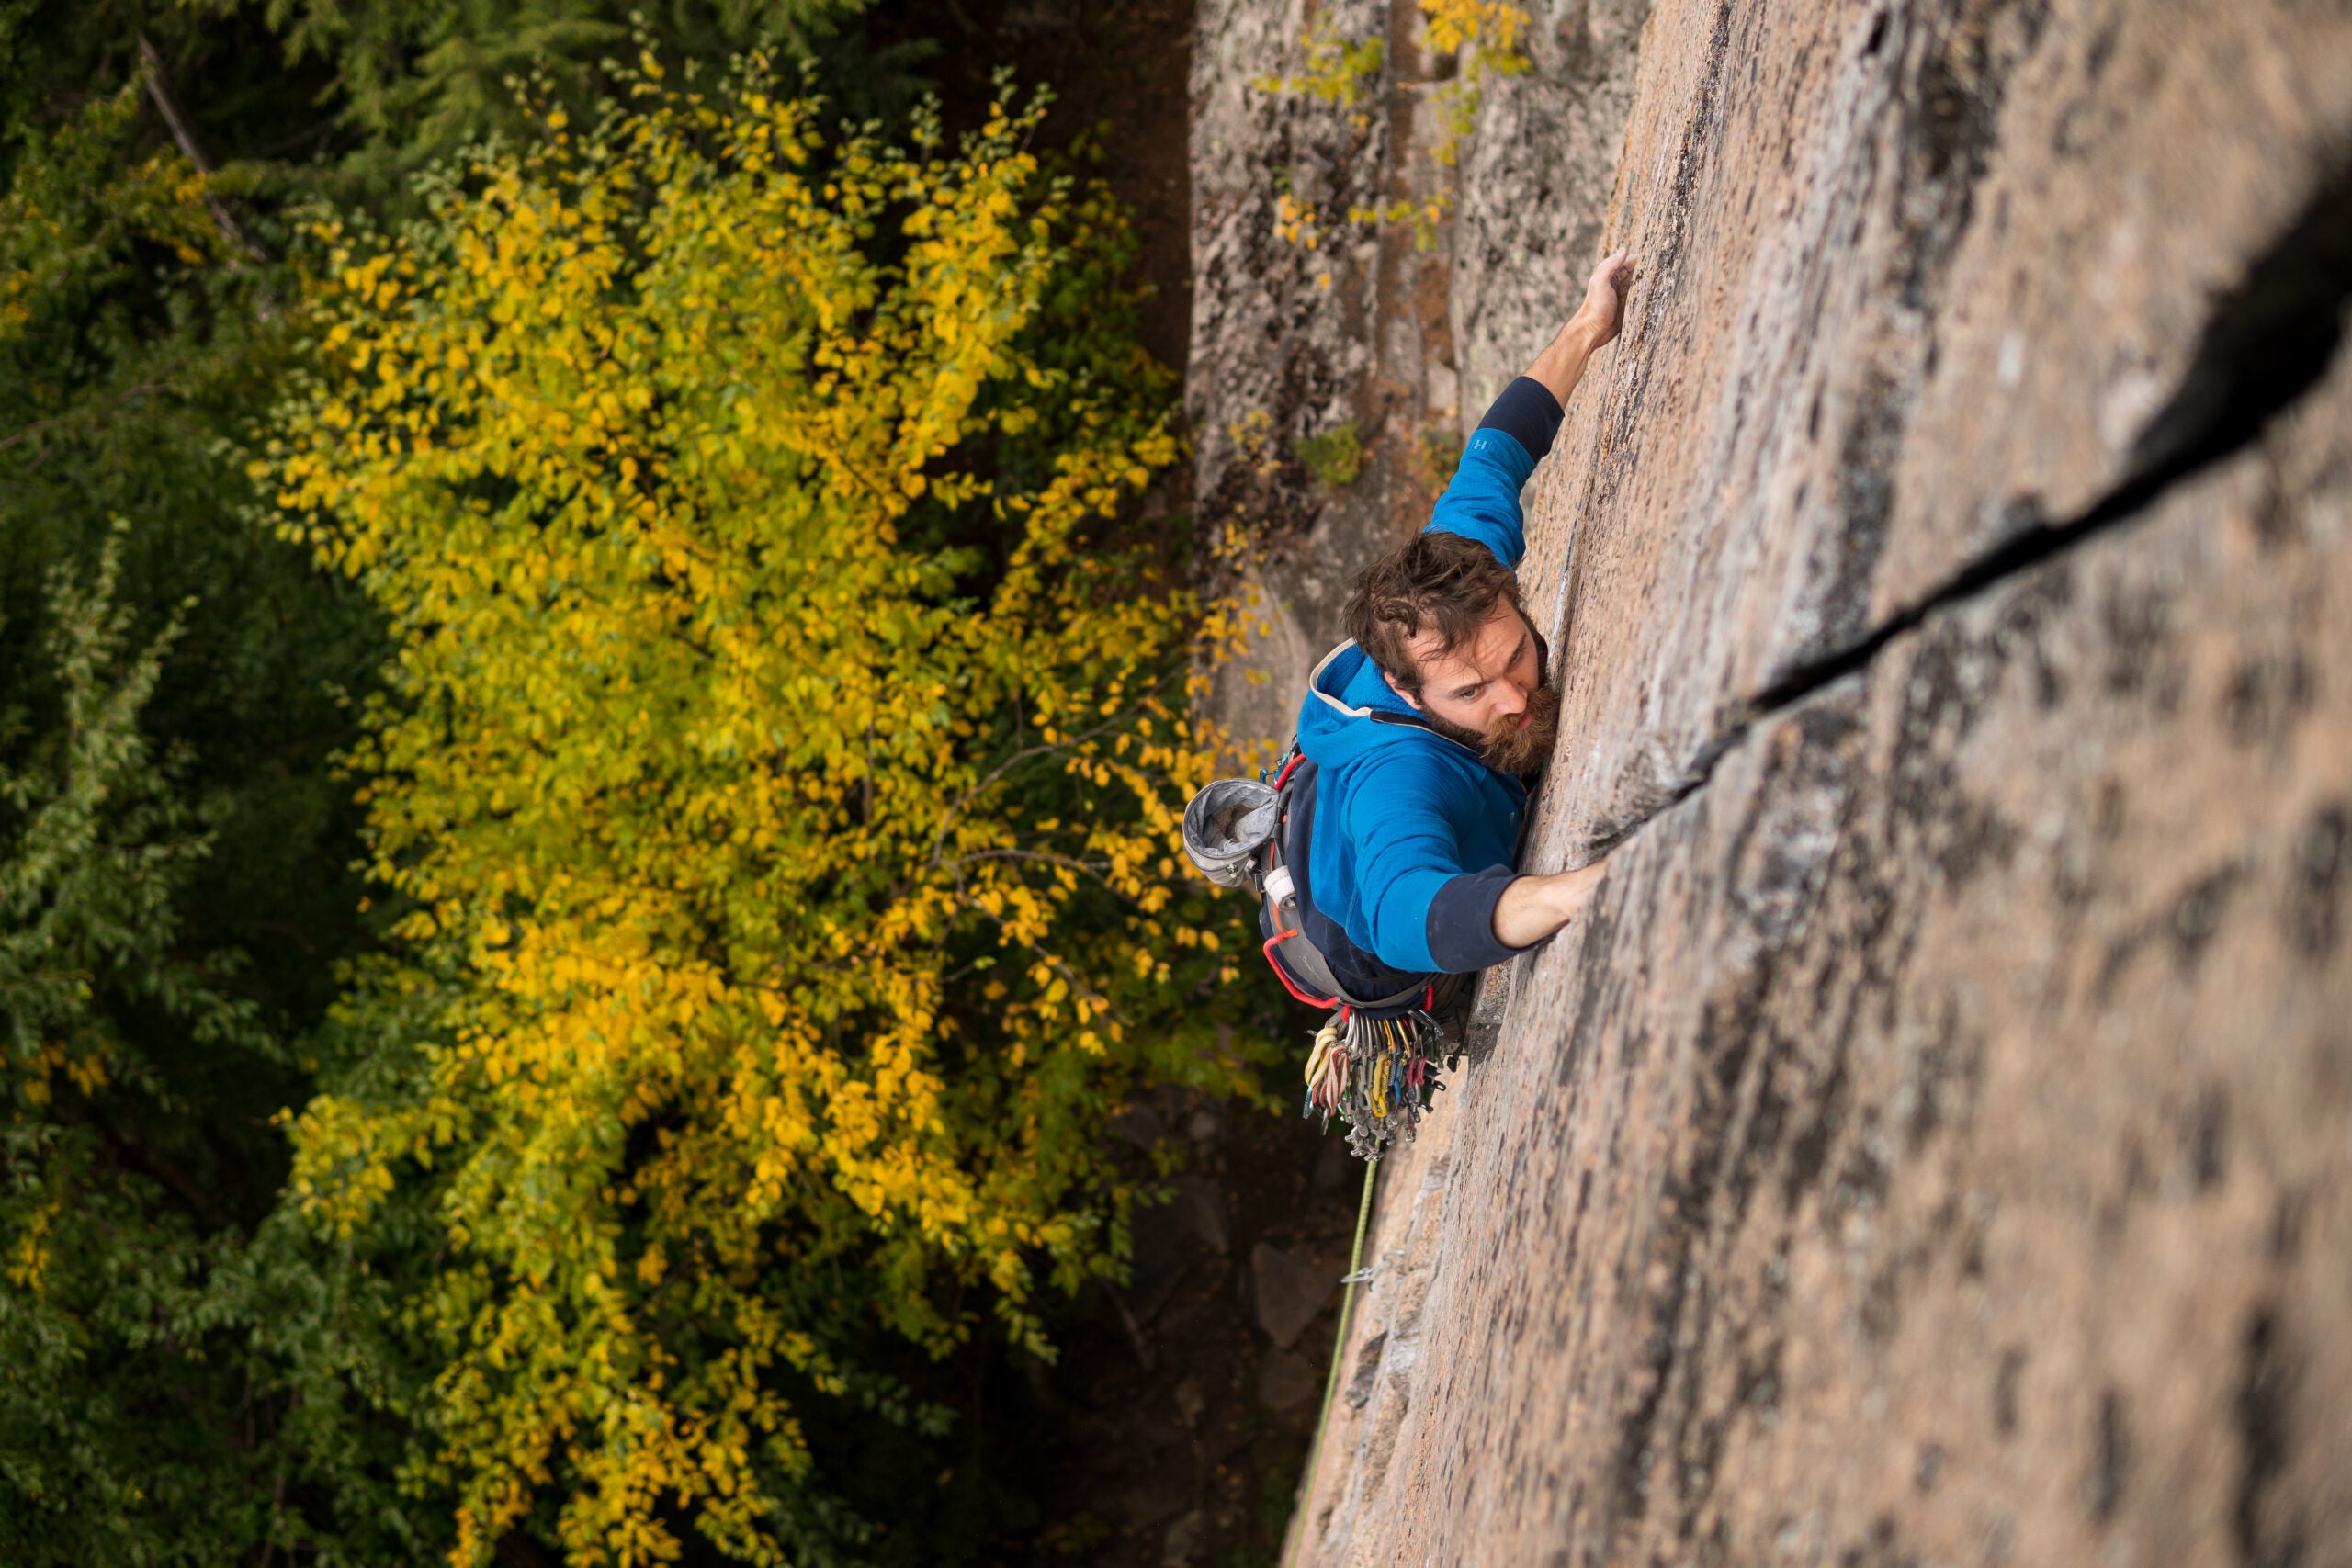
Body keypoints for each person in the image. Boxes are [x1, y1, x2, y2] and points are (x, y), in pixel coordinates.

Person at [1280, 250, 1634, 1007]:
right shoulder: (1399, 779)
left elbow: (1497, 454)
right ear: (1409, 691)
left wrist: (1588, 324)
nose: (1513, 699)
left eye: (1515, 657)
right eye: (1472, 690)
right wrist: (1574, 893)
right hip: (1356, 932)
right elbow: (1406, 908)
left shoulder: (1465, 578)